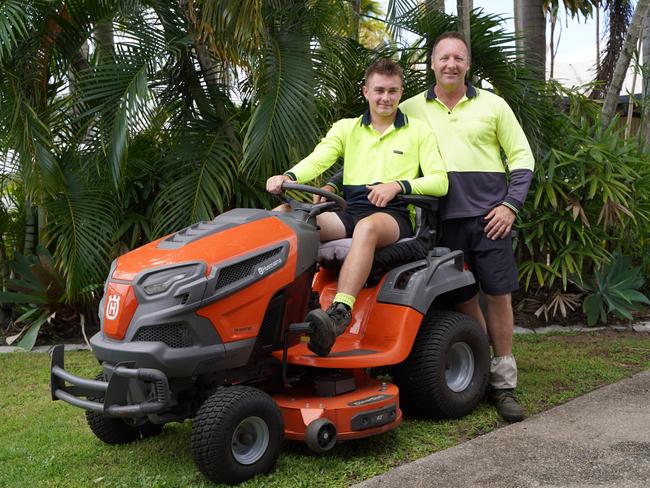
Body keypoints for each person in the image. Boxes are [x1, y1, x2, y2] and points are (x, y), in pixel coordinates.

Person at [266, 58, 448, 357]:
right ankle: (285, 300)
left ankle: (339, 313)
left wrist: (397, 186)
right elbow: (320, 158)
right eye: (379, 90)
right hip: (349, 210)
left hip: (393, 215)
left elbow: (440, 182)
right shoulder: (346, 129)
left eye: (392, 91)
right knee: (285, 217)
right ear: (365, 92)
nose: (385, 98)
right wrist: (289, 177)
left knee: (368, 227)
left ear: (401, 92)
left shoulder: (418, 132)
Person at [399, 32, 535, 422]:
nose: (451, 64)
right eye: (444, 57)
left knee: (497, 294)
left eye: (458, 57)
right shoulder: (410, 109)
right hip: (439, 222)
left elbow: (522, 157)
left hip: (490, 219)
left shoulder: (493, 105)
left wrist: (510, 205)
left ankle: (504, 384)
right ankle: (480, 367)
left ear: (468, 65)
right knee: (462, 297)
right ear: (431, 63)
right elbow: (376, 147)